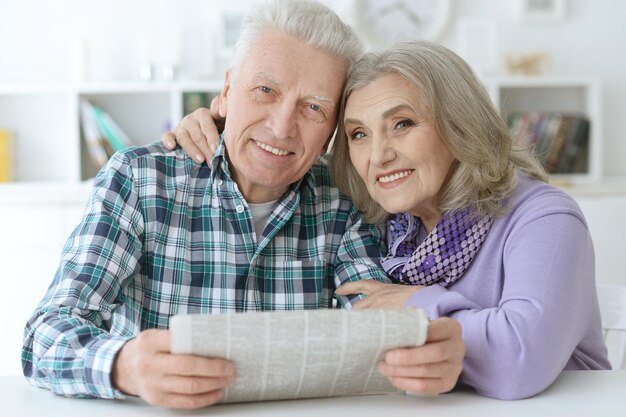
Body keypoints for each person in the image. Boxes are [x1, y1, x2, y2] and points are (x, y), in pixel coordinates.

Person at [22, 0, 464, 410]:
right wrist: (123, 366)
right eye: (265, 90)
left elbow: (373, 324)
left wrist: (421, 348)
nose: (281, 126)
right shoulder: (139, 180)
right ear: (227, 90)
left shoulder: (342, 199)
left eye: (313, 107)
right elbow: (45, 334)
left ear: (332, 129)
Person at [164, 40, 611, 400]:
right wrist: (220, 129)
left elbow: (520, 358)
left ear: (459, 125)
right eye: (359, 134)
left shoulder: (544, 217)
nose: (379, 155)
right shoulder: (388, 229)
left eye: (402, 124)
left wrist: (413, 303)